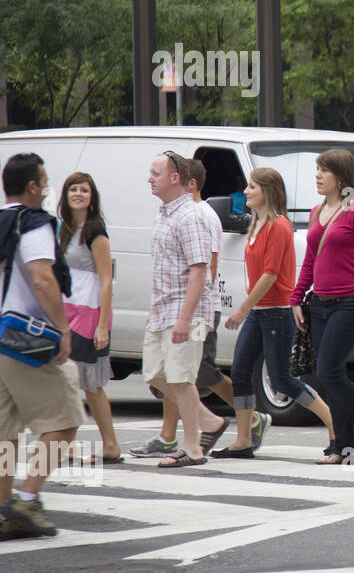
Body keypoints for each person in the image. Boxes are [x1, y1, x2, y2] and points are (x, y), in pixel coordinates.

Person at [128, 160, 240, 460]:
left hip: (187, 313)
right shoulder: (165, 213)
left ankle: (191, 446)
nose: (149, 179)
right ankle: (209, 421)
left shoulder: (191, 216)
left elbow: (200, 271)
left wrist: (185, 319)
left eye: (156, 174)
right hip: (163, 309)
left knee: (182, 379)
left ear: (175, 178)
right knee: (153, 373)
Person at [221, 169, 335, 458]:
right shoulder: (256, 224)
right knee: (241, 373)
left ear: (268, 191)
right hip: (259, 314)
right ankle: (243, 439)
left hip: (276, 314)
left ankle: (336, 427)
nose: (245, 192)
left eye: (252, 187)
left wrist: (241, 310)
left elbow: (270, 275)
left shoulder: (278, 226)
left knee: (283, 380)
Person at [291, 149, 354, 465]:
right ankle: (342, 449)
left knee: (329, 370)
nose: (318, 175)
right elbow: (310, 259)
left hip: (352, 301)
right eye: (317, 169)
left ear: (341, 176)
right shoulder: (316, 211)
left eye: (324, 170)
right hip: (319, 303)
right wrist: (296, 297)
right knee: (329, 374)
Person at [0, 153, 80, 538]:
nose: (48, 187)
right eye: (45, 181)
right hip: (25, 340)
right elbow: (42, 278)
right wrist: (62, 328)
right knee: (63, 423)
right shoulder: (33, 223)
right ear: (32, 186)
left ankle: (6, 514)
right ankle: (25, 499)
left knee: (5, 434)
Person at [57, 172, 119, 464]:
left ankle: (110, 446)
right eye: (73, 188)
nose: (78, 193)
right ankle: (67, 443)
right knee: (68, 379)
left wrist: (103, 326)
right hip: (67, 310)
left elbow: (107, 280)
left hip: (89, 313)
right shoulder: (65, 229)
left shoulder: (96, 231)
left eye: (84, 189)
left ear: (92, 198)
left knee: (90, 384)